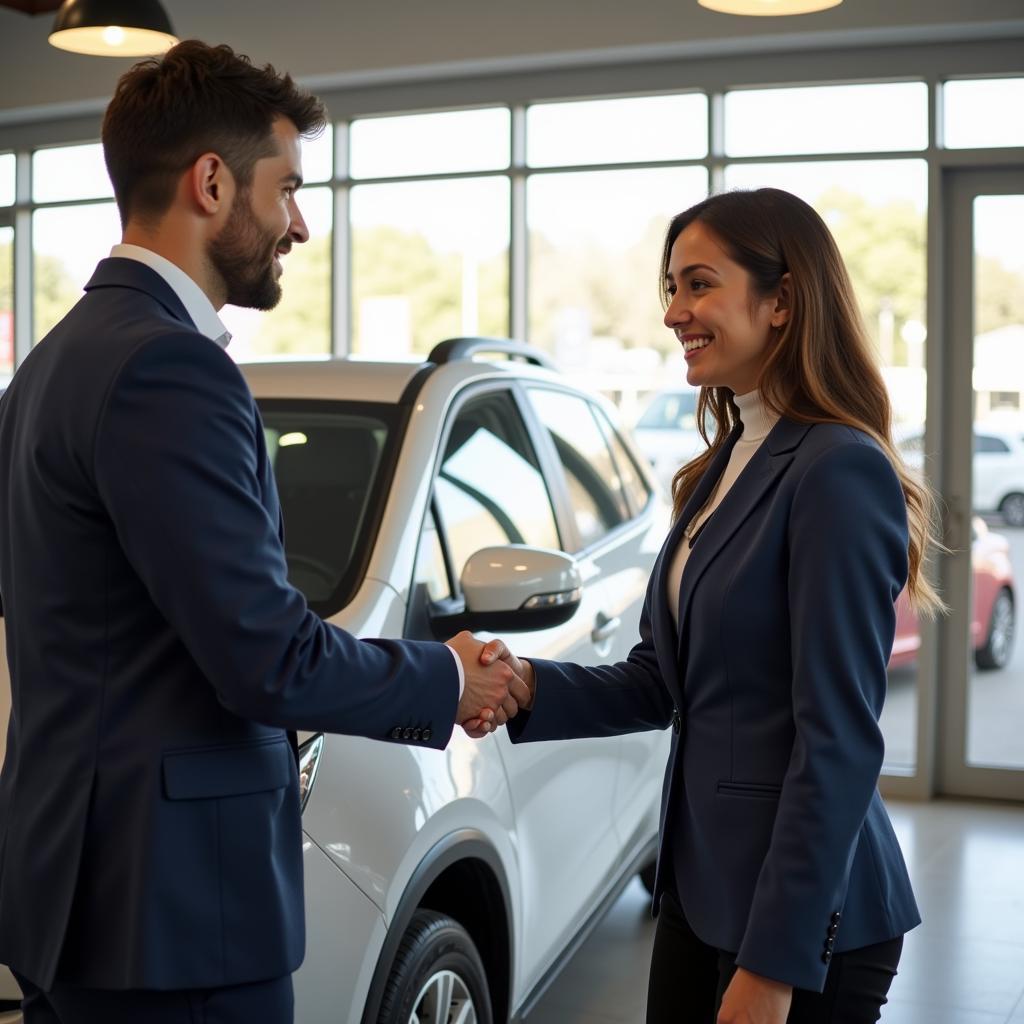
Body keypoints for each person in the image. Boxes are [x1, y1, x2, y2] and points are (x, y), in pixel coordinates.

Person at [0, 41, 527, 1024]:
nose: (300, 222)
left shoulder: (52, 364)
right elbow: (266, 660)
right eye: (286, 187)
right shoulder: (170, 370)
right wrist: (448, 676)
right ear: (211, 182)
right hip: (174, 917)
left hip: (75, 895)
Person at [473, 187, 942, 1023]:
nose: (673, 312)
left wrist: (774, 965)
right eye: (671, 288)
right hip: (703, 887)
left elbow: (835, 741)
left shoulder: (836, 470)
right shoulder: (724, 460)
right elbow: (665, 679)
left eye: (698, 285)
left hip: (799, 919)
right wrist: (530, 686)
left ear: (783, 303)